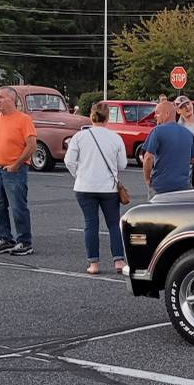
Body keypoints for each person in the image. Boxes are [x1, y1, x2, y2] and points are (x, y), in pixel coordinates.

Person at [64, 102, 127, 275]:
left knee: (90, 224)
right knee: (114, 224)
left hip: (85, 186)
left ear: (91, 115)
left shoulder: (79, 137)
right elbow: (122, 164)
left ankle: (94, 264)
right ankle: (119, 260)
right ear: (108, 117)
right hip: (108, 187)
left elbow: (68, 161)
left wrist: (79, 173)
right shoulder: (115, 137)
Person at [0, 86, 37, 255]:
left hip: (14, 171)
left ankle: (24, 241)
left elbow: (31, 146)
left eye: (1, 97)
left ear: (12, 100)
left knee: (18, 207)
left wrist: (16, 164)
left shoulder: (23, 119)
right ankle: (5, 239)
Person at [141, 100, 194, 200]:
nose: (154, 116)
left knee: (156, 214)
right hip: (183, 187)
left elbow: (148, 158)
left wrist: (147, 179)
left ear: (167, 114)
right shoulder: (189, 134)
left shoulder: (157, 131)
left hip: (160, 187)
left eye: (157, 112)